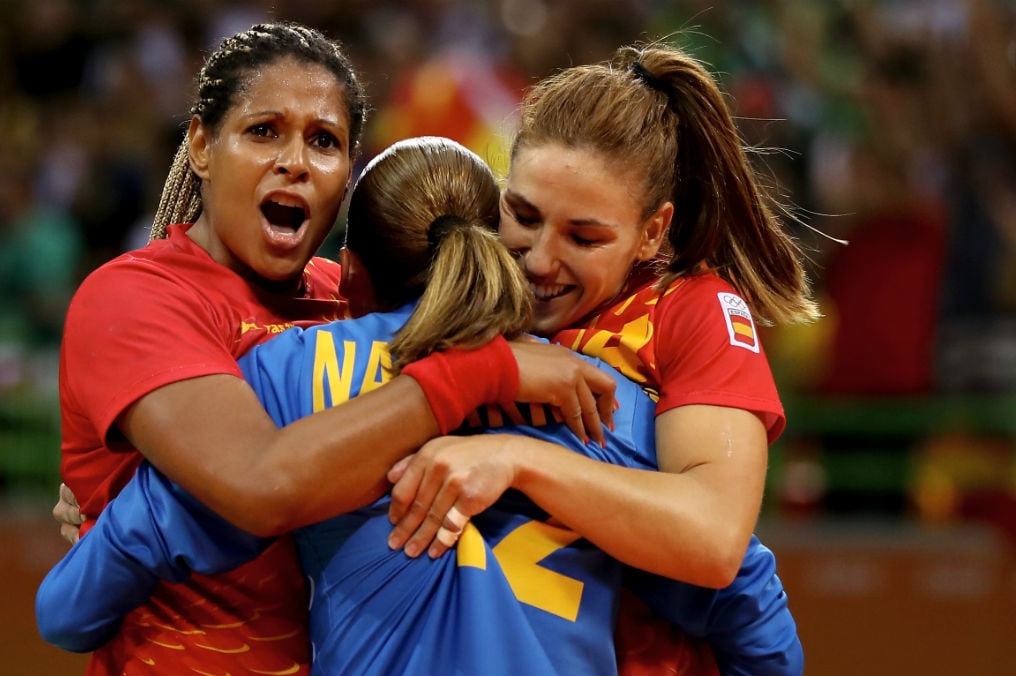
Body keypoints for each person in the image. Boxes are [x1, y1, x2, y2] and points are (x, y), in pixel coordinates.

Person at [38, 136, 795, 675]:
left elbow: (69, 612)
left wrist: (103, 522)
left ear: (350, 273)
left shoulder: (276, 380)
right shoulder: (597, 397)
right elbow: (738, 586)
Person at [52, 21, 615, 676]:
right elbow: (259, 484)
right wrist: (487, 368)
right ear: (202, 146)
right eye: (264, 131)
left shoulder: (352, 297)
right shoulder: (135, 298)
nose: (294, 160)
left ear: (347, 174)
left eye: (323, 142)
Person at [381, 41, 816, 675]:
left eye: (584, 237)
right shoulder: (465, 282)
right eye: (522, 215)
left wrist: (518, 458)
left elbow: (715, 538)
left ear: (652, 232)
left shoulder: (694, 310)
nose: (538, 260)